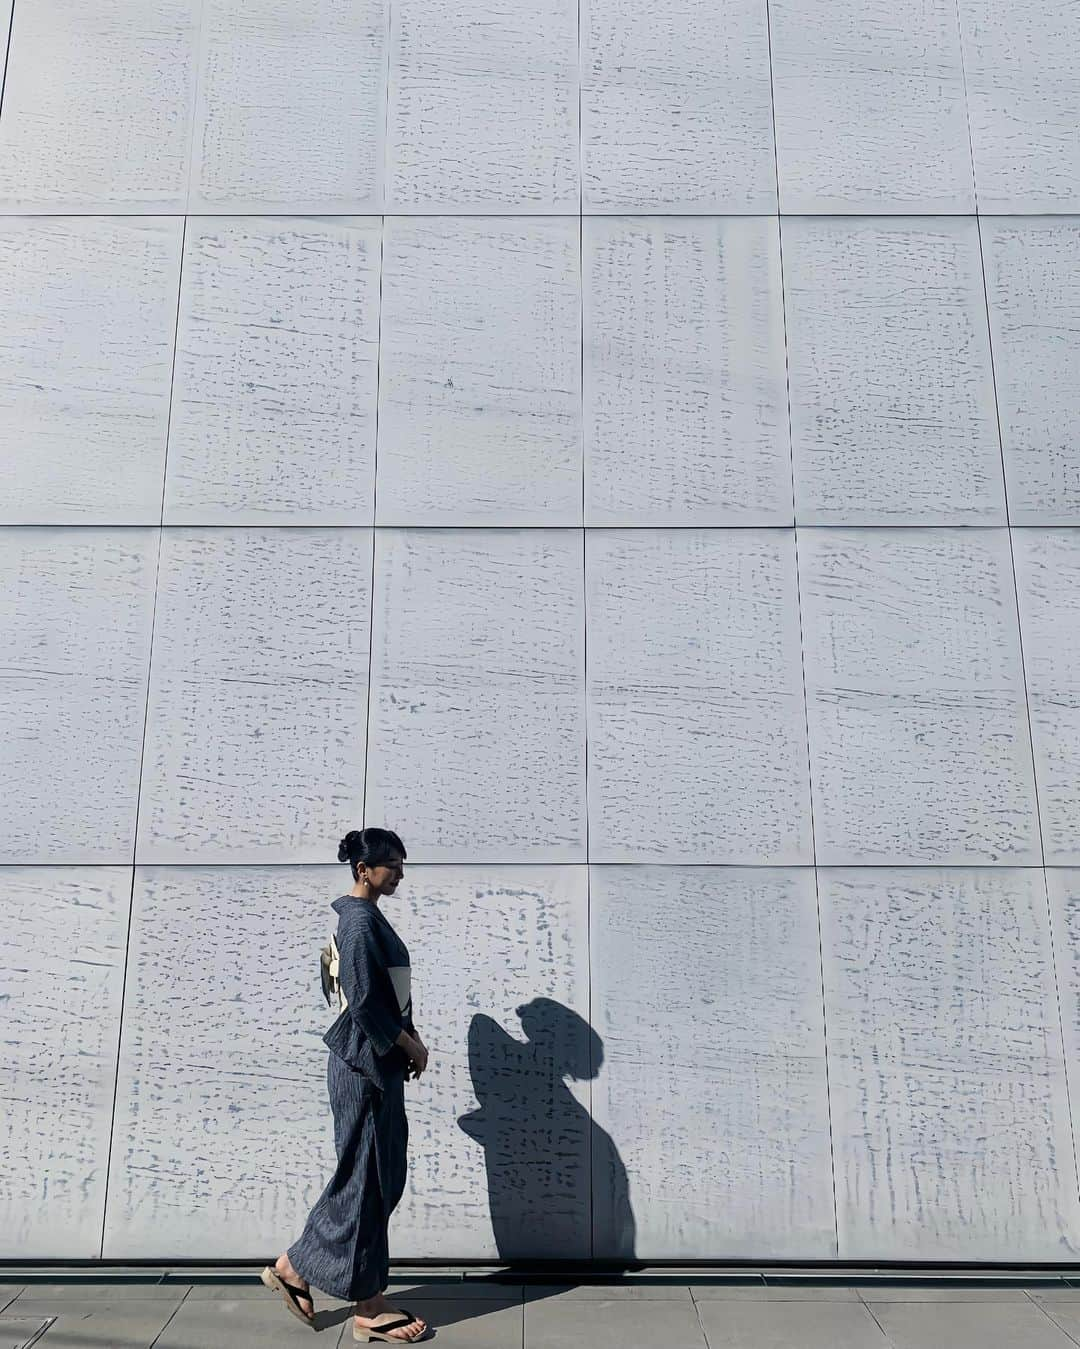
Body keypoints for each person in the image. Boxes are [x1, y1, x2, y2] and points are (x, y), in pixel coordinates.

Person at [262, 827, 432, 1343]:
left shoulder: (358, 921)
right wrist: (407, 1044)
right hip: (364, 1067)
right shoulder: (358, 924)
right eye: (393, 864)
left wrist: (405, 1031)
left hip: (366, 1063)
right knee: (367, 1180)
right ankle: (366, 1305)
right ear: (364, 870)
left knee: (374, 1178)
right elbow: (358, 1002)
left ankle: (303, 1270)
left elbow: (360, 992)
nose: (400, 872)